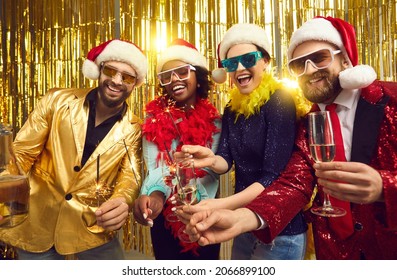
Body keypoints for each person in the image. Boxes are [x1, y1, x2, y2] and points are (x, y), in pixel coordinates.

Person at [181, 16, 397, 260]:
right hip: (333, 252)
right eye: (299, 64)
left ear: (345, 58)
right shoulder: (310, 121)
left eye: (319, 58)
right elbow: (294, 183)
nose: (310, 71)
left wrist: (385, 187)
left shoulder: (391, 101)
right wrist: (241, 216)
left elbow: (274, 174)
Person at [0, 39, 146, 260]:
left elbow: (129, 177)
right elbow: (21, 153)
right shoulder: (57, 101)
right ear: (99, 70)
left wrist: (122, 201)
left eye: (126, 76)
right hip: (37, 222)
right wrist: (6, 189)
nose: (116, 81)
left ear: (135, 83)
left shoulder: (134, 128)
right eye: (110, 70)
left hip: (93, 224)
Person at [175, 23, 310, 260]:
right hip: (243, 225)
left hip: (279, 228)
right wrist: (209, 158)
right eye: (230, 64)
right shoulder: (231, 107)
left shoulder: (280, 101)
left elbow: (272, 177)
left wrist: (221, 205)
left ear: (265, 61)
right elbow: (226, 159)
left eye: (248, 59)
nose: (239, 68)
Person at [132, 39, 222, 260]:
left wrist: (191, 203)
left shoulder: (215, 122)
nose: (174, 80)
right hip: (165, 215)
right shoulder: (154, 120)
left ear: (197, 76)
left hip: (205, 212)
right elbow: (155, 167)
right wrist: (154, 198)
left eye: (182, 72)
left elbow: (211, 171)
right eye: (167, 76)